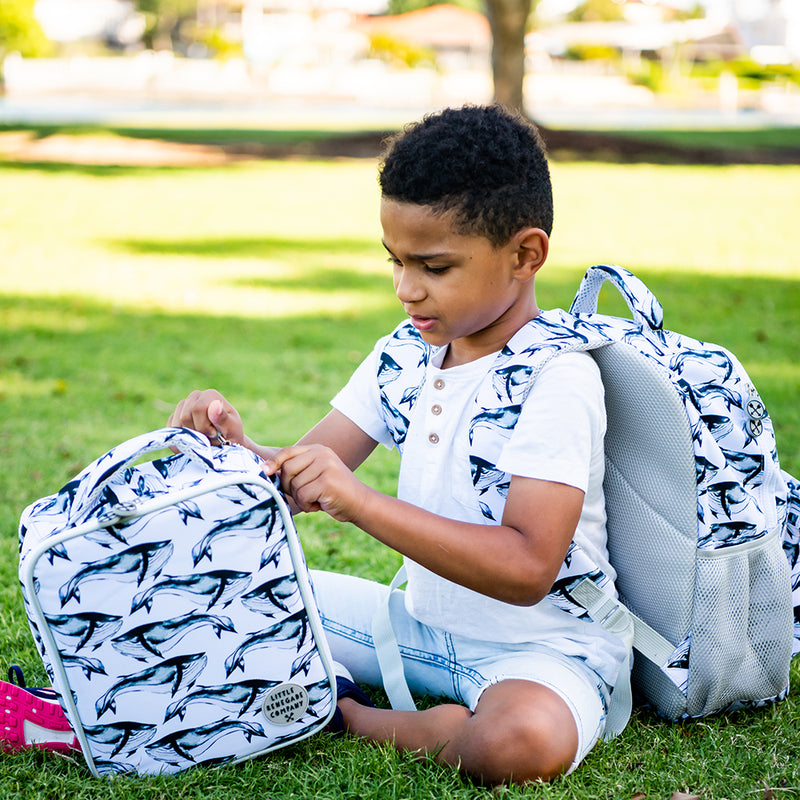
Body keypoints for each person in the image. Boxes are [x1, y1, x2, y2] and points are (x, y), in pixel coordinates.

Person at [2, 104, 631, 784]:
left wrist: (359, 502)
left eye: (434, 266)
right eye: (394, 260)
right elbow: (292, 483)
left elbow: (527, 567)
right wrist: (233, 450)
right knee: (215, 596)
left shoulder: (557, 377)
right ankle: (79, 711)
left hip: (543, 651)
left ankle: (341, 711)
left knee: (517, 744)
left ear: (525, 254)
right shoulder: (409, 353)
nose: (405, 288)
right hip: (412, 626)